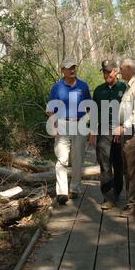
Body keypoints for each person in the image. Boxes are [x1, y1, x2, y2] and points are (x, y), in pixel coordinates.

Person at [46, 58, 91, 205]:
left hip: (79, 125)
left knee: (77, 159)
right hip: (62, 125)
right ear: (62, 71)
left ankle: (75, 189)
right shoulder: (57, 87)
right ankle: (62, 192)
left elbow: (89, 107)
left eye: (74, 67)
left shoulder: (83, 86)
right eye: (68, 68)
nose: (72, 70)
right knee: (62, 159)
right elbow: (50, 110)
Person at [89, 60, 127, 210]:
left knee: (119, 164)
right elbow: (94, 112)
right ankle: (108, 197)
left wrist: (123, 127)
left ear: (116, 71)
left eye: (109, 71)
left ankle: (117, 192)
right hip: (103, 131)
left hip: (120, 132)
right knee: (105, 165)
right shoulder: (98, 90)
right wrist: (92, 131)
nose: (106, 74)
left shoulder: (124, 88)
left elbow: (131, 110)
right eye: (104, 72)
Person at [115, 58, 135, 216]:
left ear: (129, 68)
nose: (120, 71)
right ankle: (131, 202)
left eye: (121, 68)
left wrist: (124, 127)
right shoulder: (130, 86)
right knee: (128, 167)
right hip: (129, 132)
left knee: (134, 168)